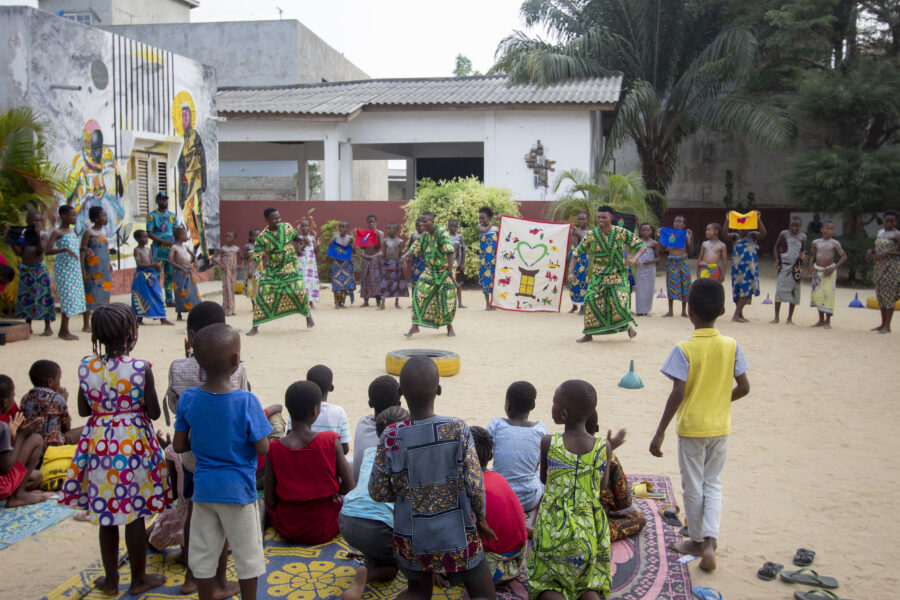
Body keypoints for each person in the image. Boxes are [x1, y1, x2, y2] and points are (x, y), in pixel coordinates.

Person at [60, 303, 173, 595]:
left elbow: (84, 409)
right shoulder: (140, 368)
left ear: (96, 335)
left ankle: (111, 581)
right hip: (133, 445)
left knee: (105, 514)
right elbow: (154, 413)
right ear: (130, 334)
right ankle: (138, 579)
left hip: (98, 444)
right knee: (134, 512)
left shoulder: (86, 366)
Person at [166, 301, 274, 596]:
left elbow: (178, 444)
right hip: (238, 491)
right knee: (248, 554)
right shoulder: (246, 401)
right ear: (236, 359)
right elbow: (262, 448)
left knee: (202, 553)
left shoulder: (188, 400)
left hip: (203, 489)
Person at [370, 356, 497, 600]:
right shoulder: (458, 429)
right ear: (439, 390)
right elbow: (475, 484)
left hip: (410, 539)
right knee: (483, 594)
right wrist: (480, 518)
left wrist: (405, 493)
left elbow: (377, 491)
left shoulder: (391, 435)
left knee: (417, 592)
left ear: (399, 391)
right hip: (458, 535)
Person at [649, 279, 751, 571]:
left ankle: (695, 540)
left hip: (692, 428)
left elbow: (678, 392)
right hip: (720, 427)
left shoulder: (684, 348)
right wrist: (721, 400)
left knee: (693, 485)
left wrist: (660, 431)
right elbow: (744, 386)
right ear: (721, 310)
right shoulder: (731, 345)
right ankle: (711, 541)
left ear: (690, 312)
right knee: (713, 483)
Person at [528, 380, 617, 600]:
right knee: (589, 585)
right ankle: (587, 591)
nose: (552, 407)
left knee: (548, 583)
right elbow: (602, 486)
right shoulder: (603, 446)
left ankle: (552, 591)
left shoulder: (549, 442)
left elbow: (544, 479)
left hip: (554, 529)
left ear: (564, 414)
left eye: (554, 403)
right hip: (588, 529)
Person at [265, 380, 354, 543]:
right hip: (325, 526)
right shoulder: (330, 440)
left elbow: (270, 501)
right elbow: (350, 488)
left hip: (288, 527)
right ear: (315, 410)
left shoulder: (274, 449)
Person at [339, 406, 408, 600]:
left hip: (346, 520)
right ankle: (368, 575)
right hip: (377, 528)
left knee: (378, 533)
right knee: (393, 566)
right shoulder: (406, 460)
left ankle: (371, 557)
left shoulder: (371, 453)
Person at [567, 205, 646, 342]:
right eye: (599, 217)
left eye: (604, 217)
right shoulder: (591, 235)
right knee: (589, 301)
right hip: (599, 276)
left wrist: (634, 258)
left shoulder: (621, 232)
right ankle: (588, 334)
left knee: (619, 303)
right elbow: (576, 254)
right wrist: (571, 272)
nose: (601, 219)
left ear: (611, 218)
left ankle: (627, 326)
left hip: (618, 275)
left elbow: (642, 246)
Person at [470, 426, 528, 584]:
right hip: (517, 561)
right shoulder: (499, 478)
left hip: (491, 570)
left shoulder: (468, 488)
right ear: (491, 456)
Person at [247, 208, 313, 335]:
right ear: (266, 220)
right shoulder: (262, 237)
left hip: (290, 265)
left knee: (299, 290)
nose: (278, 220)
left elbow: (295, 236)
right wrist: (252, 269)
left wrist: (303, 239)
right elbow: (256, 256)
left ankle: (308, 316)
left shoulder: (287, 227)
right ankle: (255, 326)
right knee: (262, 292)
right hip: (273, 269)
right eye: (275, 218)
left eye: (279, 217)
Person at [486, 381, 546, 514]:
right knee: (538, 475)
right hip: (529, 499)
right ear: (533, 405)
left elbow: (484, 454)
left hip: (500, 496)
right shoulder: (540, 430)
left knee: (492, 471)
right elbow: (538, 465)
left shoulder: (496, 424)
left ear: (508, 404)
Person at [404, 212, 459, 337]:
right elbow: (414, 247)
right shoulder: (424, 235)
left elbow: (450, 253)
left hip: (445, 270)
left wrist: (450, 272)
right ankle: (415, 326)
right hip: (430, 270)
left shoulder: (441, 233)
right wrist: (405, 256)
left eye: (425, 221)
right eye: (421, 221)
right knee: (418, 294)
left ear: (432, 222)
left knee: (446, 300)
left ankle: (449, 326)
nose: (421, 224)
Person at [0, 380, 50, 507]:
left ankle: (18, 492)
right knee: (36, 439)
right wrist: (20, 436)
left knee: (36, 477)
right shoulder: (2, 427)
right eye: (13, 395)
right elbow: (5, 467)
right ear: (5, 402)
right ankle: (18, 496)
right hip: (2, 485)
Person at [11, 210, 55, 336]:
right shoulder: (24, 235)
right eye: (33, 220)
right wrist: (12, 242)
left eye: (38, 220)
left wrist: (36, 236)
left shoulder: (43, 235)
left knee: (44, 297)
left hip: (39, 271)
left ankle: (47, 327)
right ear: (27, 221)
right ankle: (28, 326)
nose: (36, 223)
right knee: (27, 298)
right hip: (26, 270)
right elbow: (19, 252)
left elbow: (40, 251)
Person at [19, 359, 82, 446]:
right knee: (86, 429)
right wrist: (64, 401)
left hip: (31, 445)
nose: (60, 384)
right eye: (59, 380)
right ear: (50, 382)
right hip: (53, 445)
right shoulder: (58, 399)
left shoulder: (25, 398)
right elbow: (66, 427)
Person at [46, 205, 86, 340]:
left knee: (73, 297)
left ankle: (64, 330)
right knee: (67, 298)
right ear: (63, 216)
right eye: (72, 215)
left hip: (73, 268)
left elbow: (75, 249)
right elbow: (47, 250)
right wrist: (63, 249)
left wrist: (85, 251)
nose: (75, 218)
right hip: (63, 269)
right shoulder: (57, 232)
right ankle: (64, 331)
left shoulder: (72, 230)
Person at [352, 375, 400, 483]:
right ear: (399, 405)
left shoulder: (362, 423)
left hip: (357, 487)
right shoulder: (400, 433)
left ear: (370, 404)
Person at [725, 210, 766, 322]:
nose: (742, 230)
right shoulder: (735, 236)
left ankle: (738, 314)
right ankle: (737, 315)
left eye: (744, 228)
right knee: (738, 291)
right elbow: (724, 234)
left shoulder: (752, 235)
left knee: (747, 290)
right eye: (739, 227)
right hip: (738, 268)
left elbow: (763, 233)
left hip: (749, 268)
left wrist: (759, 220)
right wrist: (727, 220)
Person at [809, 220, 847, 329]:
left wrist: (833, 267)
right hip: (818, 270)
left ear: (833, 231)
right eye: (826, 228)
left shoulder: (835, 243)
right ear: (821, 229)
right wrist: (810, 267)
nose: (828, 231)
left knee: (828, 294)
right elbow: (812, 255)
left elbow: (844, 257)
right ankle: (820, 319)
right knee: (818, 294)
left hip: (829, 272)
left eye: (830, 229)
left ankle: (828, 321)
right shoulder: (816, 242)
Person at [81, 206, 113, 330]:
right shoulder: (89, 232)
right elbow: (82, 250)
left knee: (104, 294)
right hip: (92, 268)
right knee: (90, 293)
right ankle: (86, 324)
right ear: (96, 218)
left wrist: (109, 264)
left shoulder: (103, 232)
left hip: (104, 268)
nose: (106, 218)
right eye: (103, 216)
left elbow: (105, 250)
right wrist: (83, 268)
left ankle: (100, 322)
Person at [307, 365, 351, 456]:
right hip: (329, 464)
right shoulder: (339, 412)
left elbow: (289, 435)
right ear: (331, 388)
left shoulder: (297, 408)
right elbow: (345, 449)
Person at [132, 230, 173, 326]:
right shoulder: (137, 250)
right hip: (141, 275)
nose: (146, 239)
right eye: (144, 237)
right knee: (142, 296)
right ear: (138, 239)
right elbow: (139, 264)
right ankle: (139, 319)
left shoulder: (148, 250)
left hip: (151, 275)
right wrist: (153, 266)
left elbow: (150, 261)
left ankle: (163, 318)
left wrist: (154, 267)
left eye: (147, 237)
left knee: (158, 295)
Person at [868, 210, 900, 334]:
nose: (889, 223)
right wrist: (871, 252)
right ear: (883, 221)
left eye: (892, 221)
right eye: (887, 221)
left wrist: (888, 253)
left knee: (889, 296)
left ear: (896, 222)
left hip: (891, 269)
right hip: (879, 268)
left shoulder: (897, 235)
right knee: (880, 296)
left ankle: (888, 325)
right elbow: (878, 249)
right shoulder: (880, 233)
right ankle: (882, 323)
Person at [772, 216, 807, 325]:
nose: (794, 228)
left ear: (800, 226)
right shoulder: (784, 234)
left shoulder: (803, 237)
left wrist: (803, 255)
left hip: (796, 267)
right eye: (792, 225)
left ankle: (789, 318)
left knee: (794, 292)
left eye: (797, 225)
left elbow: (803, 249)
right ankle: (776, 317)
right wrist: (777, 259)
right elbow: (776, 246)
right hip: (784, 266)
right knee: (779, 291)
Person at [146, 192, 178, 306]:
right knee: (156, 275)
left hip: (170, 251)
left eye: (165, 199)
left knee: (170, 275)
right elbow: (149, 233)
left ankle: (169, 299)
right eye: (161, 199)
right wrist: (163, 241)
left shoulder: (172, 216)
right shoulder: (152, 216)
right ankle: (155, 298)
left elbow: (176, 231)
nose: (164, 201)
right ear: (157, 201)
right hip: (158, 251)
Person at [661, 215, 694, 318]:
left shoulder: (686, 234)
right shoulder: (670, 234)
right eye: (675, 221)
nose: (677, 223)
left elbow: (691, 250)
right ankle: (670, 311)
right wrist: (660, 235)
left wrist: (690, 238)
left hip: (683, 261)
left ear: (684, 225)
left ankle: (684, 311)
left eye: (680, 222)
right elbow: (663, 248)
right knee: (671, 285)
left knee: (685, 285)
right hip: (672, 262)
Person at [168, 226, 202, 321]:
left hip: (188, 271)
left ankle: (193, 310)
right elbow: (170, 260)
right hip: (179, 272)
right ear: (179, 236)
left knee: (192, 290)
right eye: (185, 234)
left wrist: (195, 262)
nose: (187, 236)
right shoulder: (174, 247)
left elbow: (194, 256)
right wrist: (181, 268)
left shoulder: (186, 247)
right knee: (180, 291)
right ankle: (179, 312)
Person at [380, 222, 409, 309]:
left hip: (396, 265)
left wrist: (403, 262)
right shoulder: (385, 241)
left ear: (396, 230)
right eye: (387, 228)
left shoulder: (400, 241)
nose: (388, 230)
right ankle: (383, 304)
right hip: (387, 264)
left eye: (390, 228)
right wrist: (382, 261)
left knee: (398, 284)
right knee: (384, 283)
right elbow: (385, 253)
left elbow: (400, 254)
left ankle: (396, 303)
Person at [212, 230, 241, 317]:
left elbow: (243, 257)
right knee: (227, 288)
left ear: (234, 239)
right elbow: (213, 258)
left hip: (233, 270)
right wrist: (220, 264)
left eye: (230, 237)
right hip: (225, 270)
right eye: (226, 237)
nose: (227, 239)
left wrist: (241, 265)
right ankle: (227, 309)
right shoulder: (223, 249)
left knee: (232, 288)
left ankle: (232, 308)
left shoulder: (236, 249)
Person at [359, 214, 385, 308]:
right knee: (365, 279)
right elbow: (362, 247)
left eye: (372, 222)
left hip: (375, 258)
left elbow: (379, 247)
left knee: (376, 280)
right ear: (367, 223)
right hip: (366, 258)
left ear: (376, 222)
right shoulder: (364, 233)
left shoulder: (380, 233)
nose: (371, 224)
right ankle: (366, 301)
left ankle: (378, 302)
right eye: (369, 222)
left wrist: (375, 235)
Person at [633, 223, 659, 316]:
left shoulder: (654, 243)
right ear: (640, 231)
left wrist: (651, 261)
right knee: (640, 288)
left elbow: (658, 258)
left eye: (648, 230)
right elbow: (636, 254)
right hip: (640, 268)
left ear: (651, 231)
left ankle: (646, 310)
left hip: (650, 268)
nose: (645, 232)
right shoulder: (637, 242)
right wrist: (635, 260)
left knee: (649, 288)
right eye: (643, 230)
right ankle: (639, 310)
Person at [329, 221, 356, 308]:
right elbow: (331, 248)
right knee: (336, 283)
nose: (341, 229)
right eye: (340, 227)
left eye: (343, 227)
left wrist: (353, 246)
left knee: (345, 283)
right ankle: (337, 303)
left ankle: (342, 303)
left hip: (346, 264)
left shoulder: (350, 238)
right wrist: (330, 244)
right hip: (337, 263)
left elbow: (354, 252)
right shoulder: (335, 237)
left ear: (347, 229)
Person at [568, 211, 590, 314]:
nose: (581, 221)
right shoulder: (575, 231)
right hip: (574, 259)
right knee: (572, 282)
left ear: (587, 220)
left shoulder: (590, 232)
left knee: (583, 283)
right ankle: (574, 305)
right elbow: (576, 245)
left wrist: (579, 234)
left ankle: (582, 307)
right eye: (579, 219)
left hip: (584, 260)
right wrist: (574, 234)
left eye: (583, 219)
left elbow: (586, 246)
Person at [478, 206, 499, 311]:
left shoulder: (496, 229)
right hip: (485, 259)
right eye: (480, 218)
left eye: (483, 218)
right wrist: (496, 220)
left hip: (494, 259)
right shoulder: (480, 227)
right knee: (486, 281)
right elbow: (485, 230)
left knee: (494, 281)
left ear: (489, 218)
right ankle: (487, 304)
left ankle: (493, 304)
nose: (481, 220)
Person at [296, 219, 320, 306]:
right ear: (300, 228)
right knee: (302, 280)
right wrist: (305, 244)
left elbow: (315, 252)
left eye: (306, 226)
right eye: (302, 226)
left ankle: (311, 301)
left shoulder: (312, 238)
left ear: (309, 228)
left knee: (311, 281)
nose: (304, 227)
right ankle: (302, 302)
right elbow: (298, 252)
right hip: (302, 263)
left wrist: (318, 246)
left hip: (311, 263)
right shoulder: (298, 238)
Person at [448, 218, 467, 309]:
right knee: (447, 283)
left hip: (458, 264)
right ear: (448, 227)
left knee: (458, 283)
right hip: (447, 264)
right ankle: (448, 302)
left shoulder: (460, 237)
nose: (453, 228)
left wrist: (463, 263)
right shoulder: (445, 236)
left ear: (457, 227)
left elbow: (463, 250)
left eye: (455, 226)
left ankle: (460, 303)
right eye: (451, 226)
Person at [243, 229, 260, 309]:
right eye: (255, 236)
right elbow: (244, 257)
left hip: (259, 268)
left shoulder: (261, 245)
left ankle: (259, 304)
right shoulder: (248, 246)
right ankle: (253, 304)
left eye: (259, 235)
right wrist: (249, 255)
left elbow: (264, 255)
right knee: (251, 286)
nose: (257, 238)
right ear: (251, 237)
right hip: (250, 268)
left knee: (259, 286)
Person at [408, 218, 427, 287]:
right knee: (415, 278)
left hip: (425, 260)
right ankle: (414, 296)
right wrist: (409, 257)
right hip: (415, 260)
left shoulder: (427, 235)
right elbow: (409, 247)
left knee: (424, 278)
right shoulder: (414, 235)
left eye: (420, 226)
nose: (418, 228)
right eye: (417, 226)